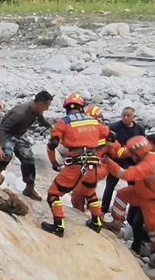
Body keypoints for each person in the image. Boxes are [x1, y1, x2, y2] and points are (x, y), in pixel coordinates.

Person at [41, 93, 109, 238]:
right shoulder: (93, 121)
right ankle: (96, 222)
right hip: (93, 165)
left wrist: (54, 162)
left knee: (53, 195)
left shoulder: (64, 122)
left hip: (75, 165)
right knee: (90, 193)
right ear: (82, 107)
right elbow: (111, 136)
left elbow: (52, 144)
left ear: (66, 108)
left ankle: (58, 226)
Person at [108, 136, 155, 268]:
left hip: (151, 200)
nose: (130, 156)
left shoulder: (147, 164)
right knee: (121, 195)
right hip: (141, 192)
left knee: (152, 229)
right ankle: (116, 223)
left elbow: (126, 175)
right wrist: (111, 141)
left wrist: (109, 162)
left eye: (132, 154)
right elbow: (124, 151)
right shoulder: (147, 155)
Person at [0, 91, 53, 200]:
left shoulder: (36, 109)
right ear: (40, 103)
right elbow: (2, 129)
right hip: (8, 134)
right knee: (5, 156)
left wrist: (50, 126)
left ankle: (29, 188)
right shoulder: (20, 113)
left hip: (19, 135)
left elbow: (40, 118)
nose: (47, 109)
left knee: (28, 159)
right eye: (46, 106)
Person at [101, 107, 146, 215]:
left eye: (128, 116)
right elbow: (108, 143)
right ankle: (103, 209)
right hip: (116, 160)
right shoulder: (114, 127)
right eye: (124, 115)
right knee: (110, 186)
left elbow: (143, 143)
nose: (125, 118)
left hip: (132, 161)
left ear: (133, 117)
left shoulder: (139, 129)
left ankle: (133, 210)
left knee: (133, 186)